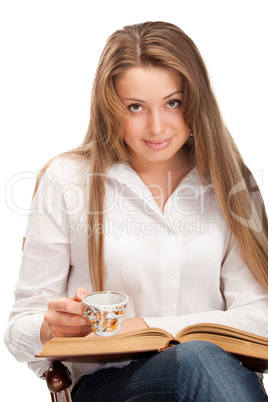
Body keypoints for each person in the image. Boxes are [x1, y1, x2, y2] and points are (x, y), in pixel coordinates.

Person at [4, 21, 268, 401]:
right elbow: (17, 331)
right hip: (112, 386)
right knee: (196, 359)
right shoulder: (66, 180)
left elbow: (258, 319)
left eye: (172, 103)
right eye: (135, 107)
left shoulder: (230, 183)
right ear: (111, 107)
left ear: (195, 102)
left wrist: (144, 326)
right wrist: (50, 329)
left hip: (214, 379)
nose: (157, 126)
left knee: (199, 359)